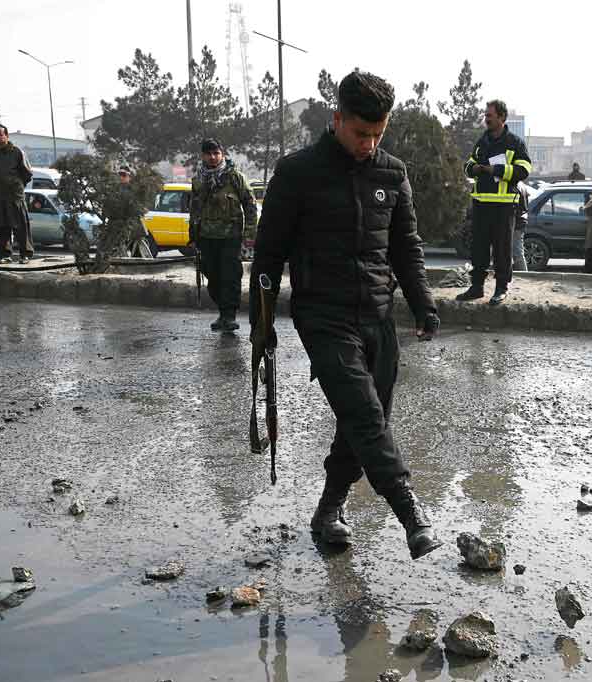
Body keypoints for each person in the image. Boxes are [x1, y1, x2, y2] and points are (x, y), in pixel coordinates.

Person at [250, 70, 443, 560]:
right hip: (323, 316)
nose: (369, 143)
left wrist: (423, 303)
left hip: (378, 315)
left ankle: (328, 509)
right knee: (364, 415)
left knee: (362, 422)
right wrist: (261, 324)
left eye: (378, 134)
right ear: (337, 119)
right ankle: (409, 511)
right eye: (361, 133)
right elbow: (268, 258)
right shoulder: (296, 173)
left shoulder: (391, 173)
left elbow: (406, 247)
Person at [457, 100, 532, 305]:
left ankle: (501, 288)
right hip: (481, 204)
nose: (486, 118)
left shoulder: (515, 143)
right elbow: (469, 164)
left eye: (489, 115)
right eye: (485, 115)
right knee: (478, 248)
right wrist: (474, 169)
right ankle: (476, 287)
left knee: (502, 250)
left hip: (504, 206)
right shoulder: (482, 141)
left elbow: (524, 170)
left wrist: (497, 170)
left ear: (501, 117)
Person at [189, 138, 257, 332]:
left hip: (231, 237)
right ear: (203, 156)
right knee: (212, 277)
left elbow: (250, 206)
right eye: (208, 153)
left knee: (230, 277)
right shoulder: (199, 180)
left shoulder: (235, 177)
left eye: (216, 153)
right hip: (207, 237)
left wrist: (249, 235)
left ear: (222, 154)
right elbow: (194, 209)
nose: (212, 157)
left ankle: (229, 316)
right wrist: (193, 235)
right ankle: (222, 312)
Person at [0, 124, 34, 264]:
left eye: (0, 134)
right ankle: (4, 255)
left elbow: (27, 174)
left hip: (14, 195)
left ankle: (25, 254)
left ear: (6, 136)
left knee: (20, 225)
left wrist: (16, 186)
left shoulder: (17, 152)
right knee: (1, 226)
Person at [512, 188, 529, 271]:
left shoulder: (515, 186)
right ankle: (524, 273)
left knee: (517, 252)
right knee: (518, 251)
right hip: (520, 222)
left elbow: (516, 208)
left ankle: (523, 274)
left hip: (516, 223)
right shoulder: (522, 186)